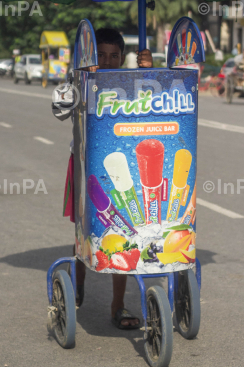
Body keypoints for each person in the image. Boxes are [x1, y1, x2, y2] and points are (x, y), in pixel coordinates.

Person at [52, 28, 152, 330]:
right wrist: (81, 78)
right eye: (101, 56)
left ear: (123, 58)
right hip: (84, 164)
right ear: (90, 56)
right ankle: (78, 286)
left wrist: (152, 71)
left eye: (114, 56)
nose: (107, 62)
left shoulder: (133, 83)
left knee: (124, 233)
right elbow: (58, 110)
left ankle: (118, 305)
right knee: (84, 232)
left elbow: (159, 101)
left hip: (123, 168)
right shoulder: (78, 80)